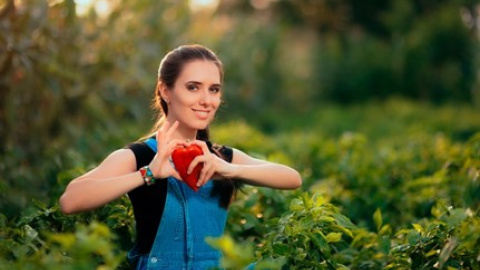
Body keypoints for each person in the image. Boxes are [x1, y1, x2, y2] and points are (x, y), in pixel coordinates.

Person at [59, 44, 302, 270]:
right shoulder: (141, 155)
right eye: (193, 87)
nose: (206, 100)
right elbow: (70, 200)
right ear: (166, 90)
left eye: (214, 90)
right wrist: (148, 173)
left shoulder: (220, 156)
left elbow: (292, 178)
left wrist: (229, 169)